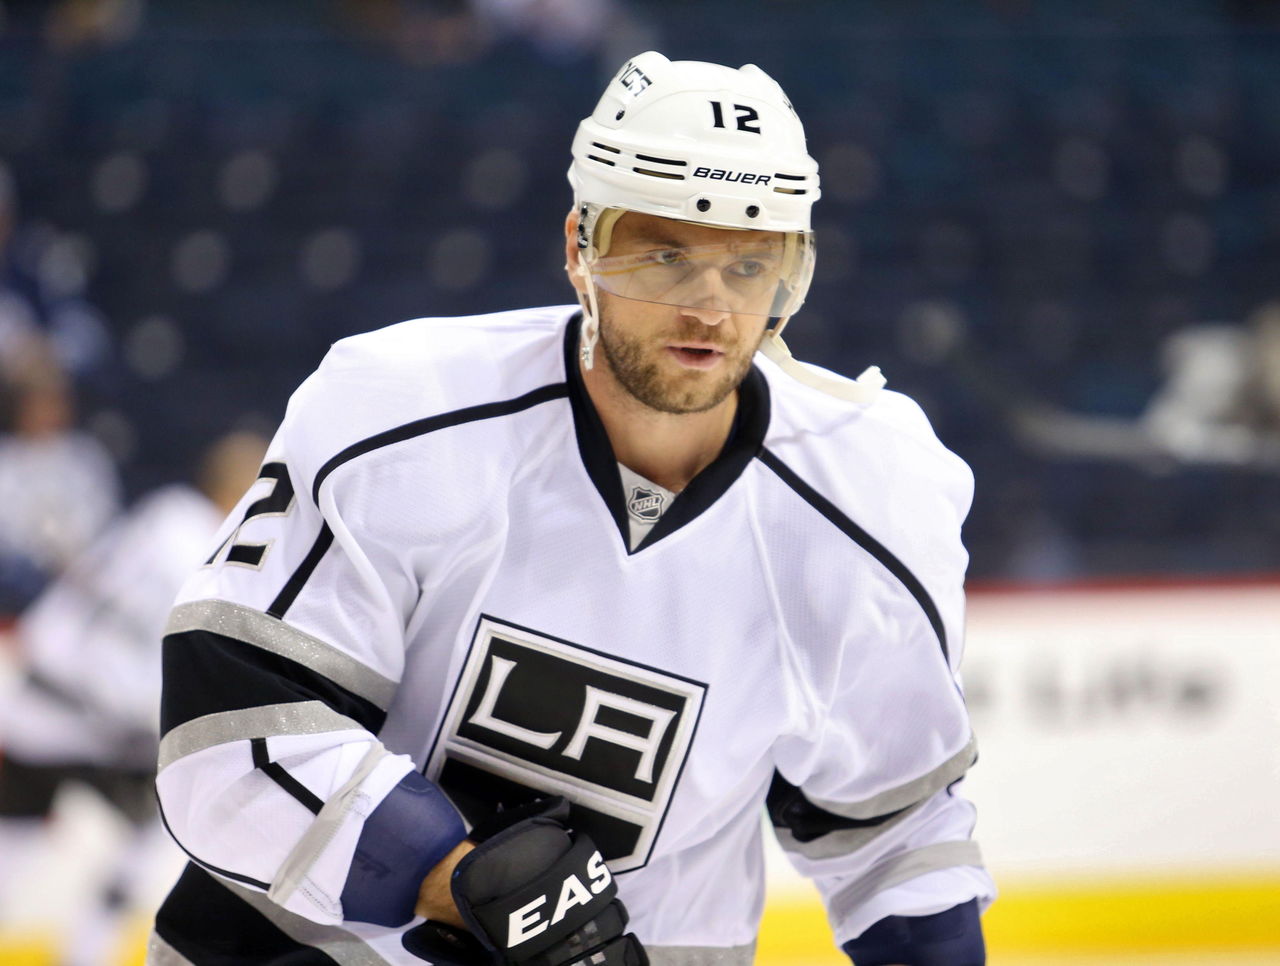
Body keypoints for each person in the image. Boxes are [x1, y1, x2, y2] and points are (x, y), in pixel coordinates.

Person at [150, 52, 993, 966]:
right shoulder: (394, 414)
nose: (710, 305)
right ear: (578, 247)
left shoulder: (873, 503)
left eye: (751, 263)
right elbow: (229, 739)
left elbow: (896, 831)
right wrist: (474, 888)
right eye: (665, 254)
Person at [0, 430, 268, 966]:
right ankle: (89, 951)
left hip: (34, 693)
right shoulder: (218, 556)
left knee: (17, 839)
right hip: (95, 723)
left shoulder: (162, 510)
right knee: (166, 830)